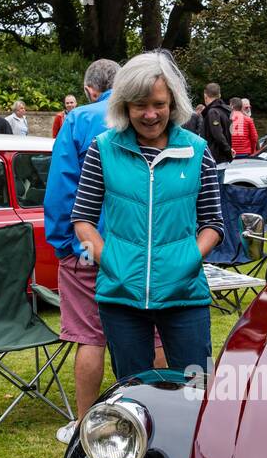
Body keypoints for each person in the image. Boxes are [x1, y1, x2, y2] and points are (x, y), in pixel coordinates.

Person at [72, 51, 223, 381]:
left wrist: (187, 259)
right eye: (140, 104)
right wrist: (109, 258)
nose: (150, 114)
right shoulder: (103, 148)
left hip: (184, 294)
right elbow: (82, 217)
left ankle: (192, 436)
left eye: (158, 103)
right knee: (132, 390)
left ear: (172, 102)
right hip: (121, 295)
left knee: (196, 385)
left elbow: (213, 222)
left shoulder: (197, 150)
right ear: (125, 105)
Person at [44, 58, 120, 443]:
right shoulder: (154, 116)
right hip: (137, 249)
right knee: (154, 335)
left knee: (91, 336)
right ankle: (157, 417)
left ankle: (86, 424)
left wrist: (62, 244)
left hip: (87, 246)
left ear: (91, 89)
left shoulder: (78, 120)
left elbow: (61, 185)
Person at [184, 83, 233, 163]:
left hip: (215, 159)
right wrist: (228, 150)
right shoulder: (225, 111)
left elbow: (218, 135)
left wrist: (228, 152)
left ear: (205, 96)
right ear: (219, 95)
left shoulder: (213, 112)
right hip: (222, 158)